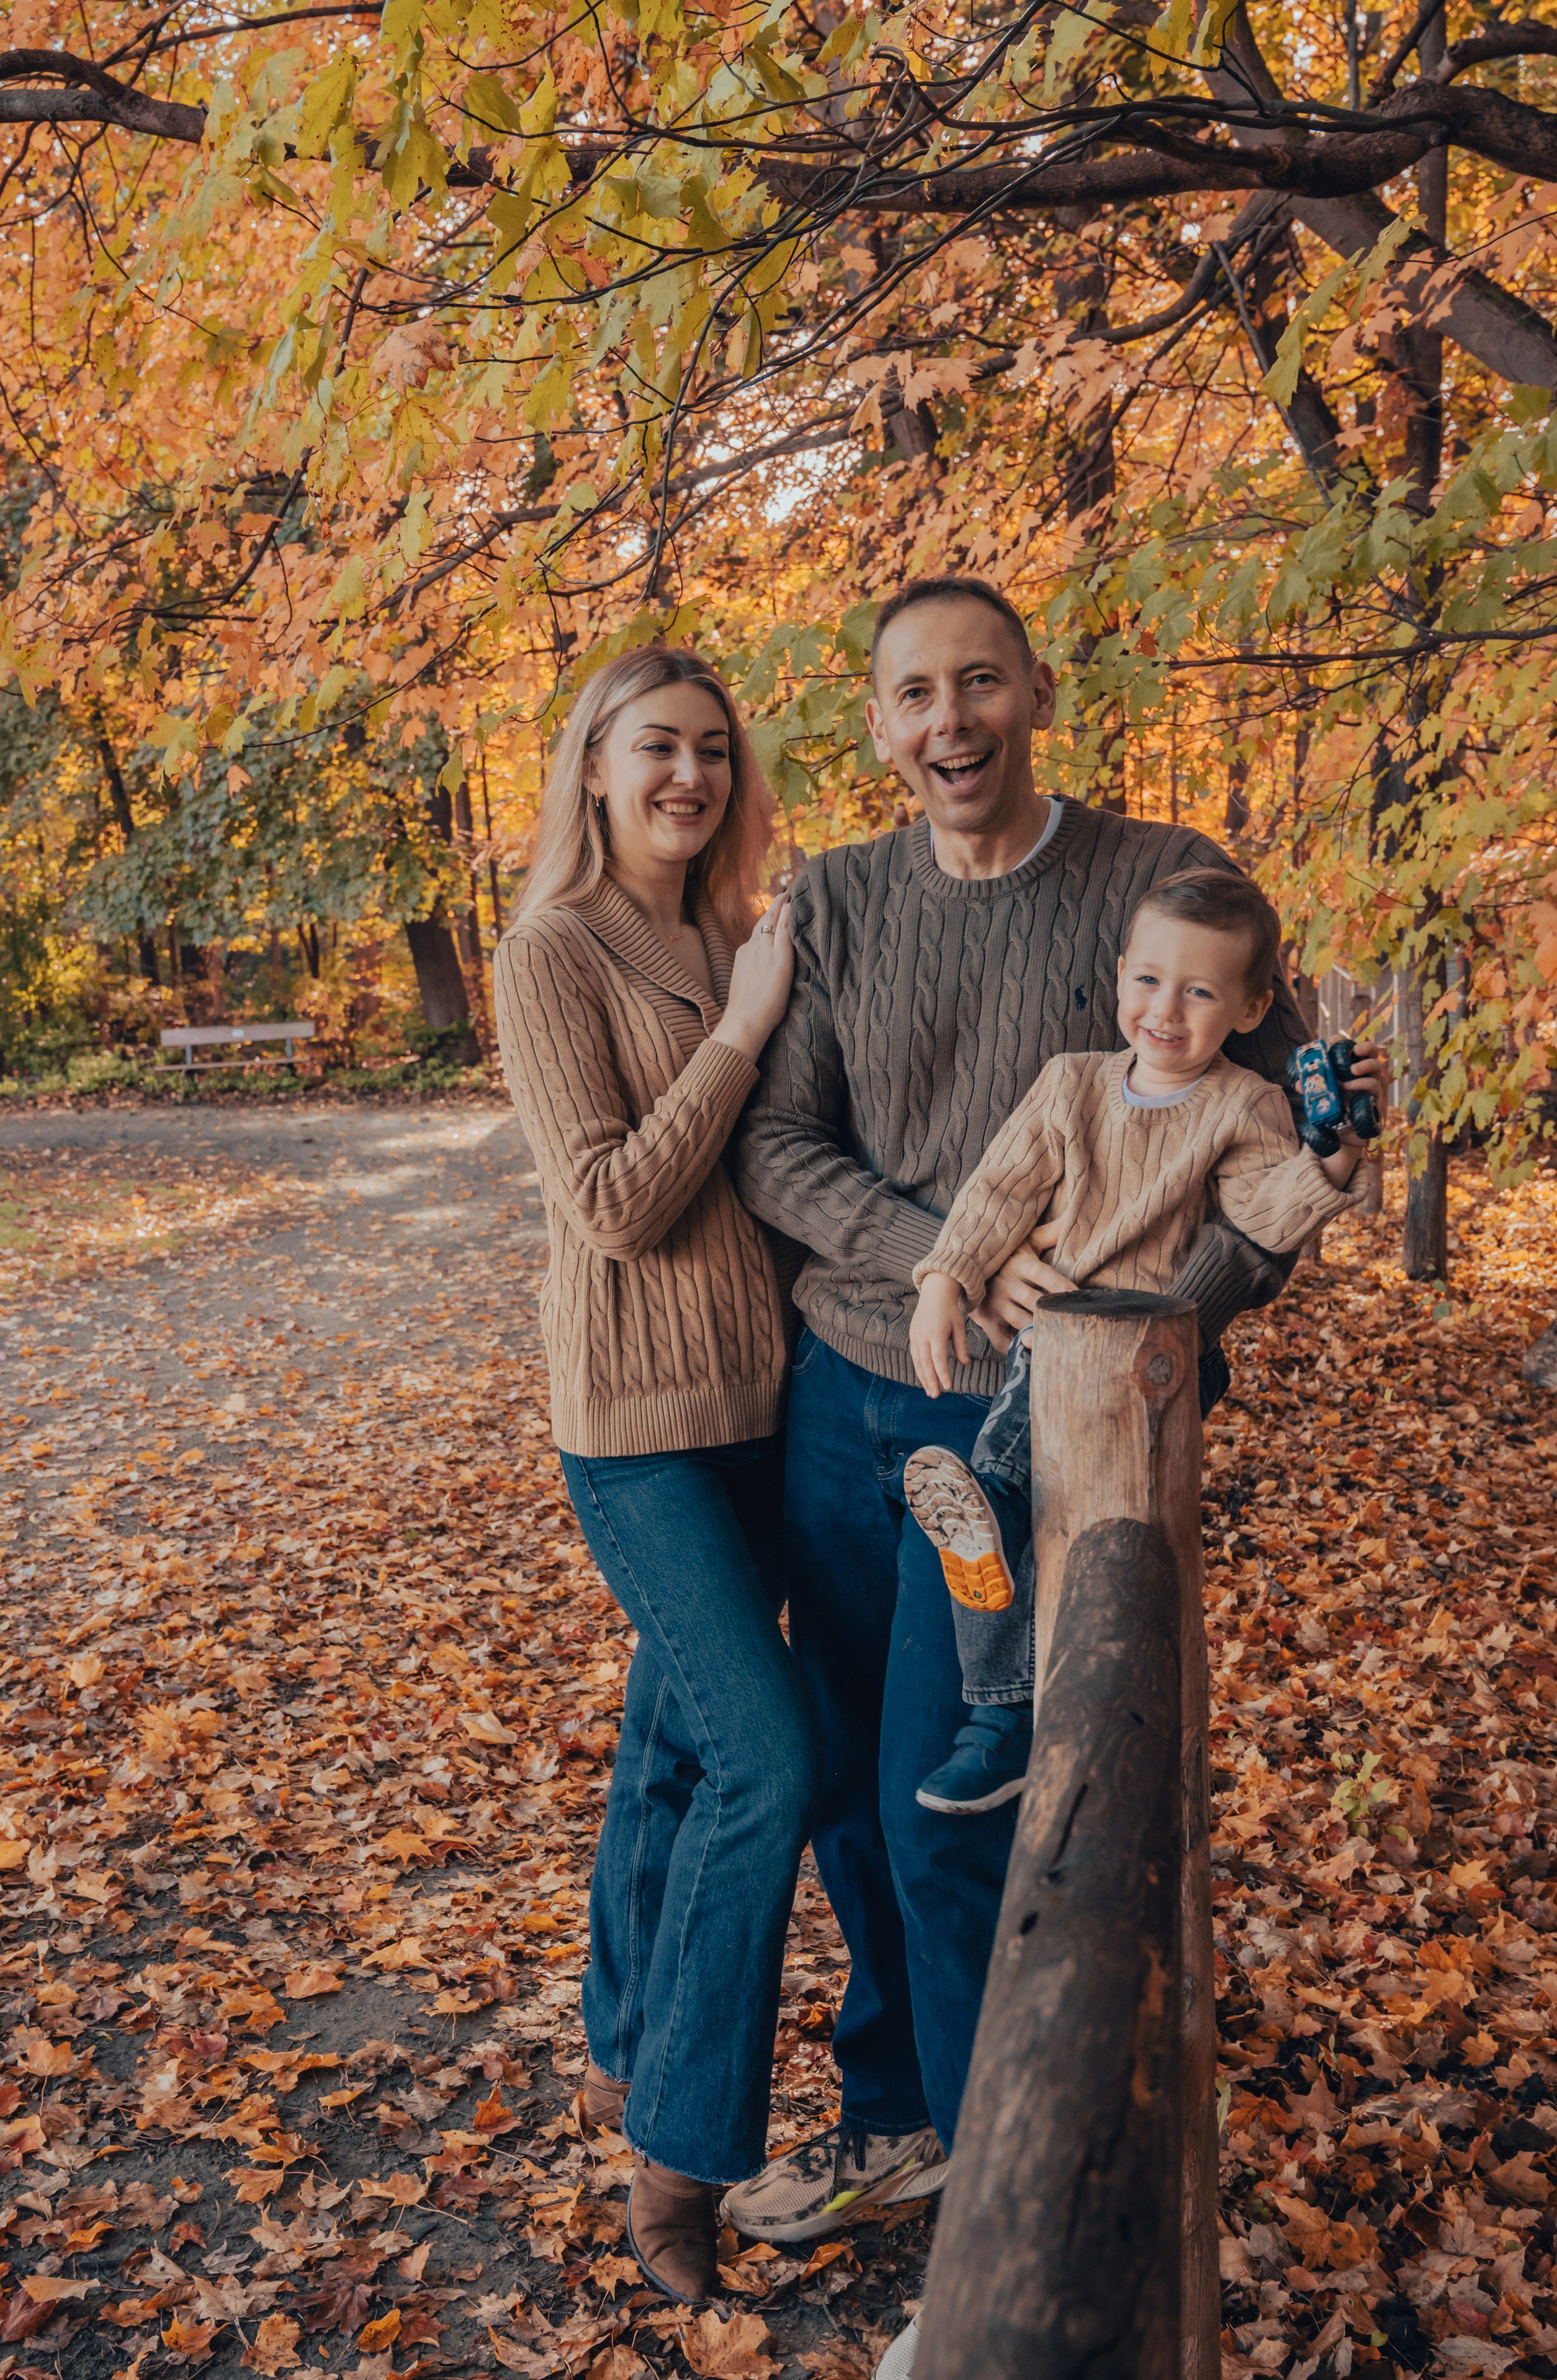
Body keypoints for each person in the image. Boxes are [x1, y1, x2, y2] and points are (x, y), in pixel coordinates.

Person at [724, 578, 1386, 2330]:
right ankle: (906, 2114)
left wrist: (1132, 1316)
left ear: (1033, 692)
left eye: (980, 685)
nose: (950, 721)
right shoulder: (845, 903)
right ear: (878, 721)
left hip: (1049, 1424)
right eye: (913, 694)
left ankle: (1016, 2202)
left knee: (978, 1779)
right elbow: (779, 1149)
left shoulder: (1162, 880)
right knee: (866, 1786)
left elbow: (1276, 1149)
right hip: (854, 1390)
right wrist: (950, 1241)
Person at [491, 648, 817, 2307]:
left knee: (677, 1738)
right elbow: (615, 1200)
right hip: (635, 1425)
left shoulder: (733, 927)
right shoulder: (550, 949)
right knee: (769, 1756)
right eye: (655, 749)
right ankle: (683, 2153)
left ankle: (624, 2034)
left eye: (709, 749)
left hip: (773, 1403)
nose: (687, 774)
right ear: (597, 769)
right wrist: (746, 1032)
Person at [903, 867, 1366, 1815]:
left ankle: (1008, 1702)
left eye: (1200, 992)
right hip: (1051, 1349)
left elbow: (1266, 1215)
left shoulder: (1242, 1106)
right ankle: (998, 1720)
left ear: (1248, 1006)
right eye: (1150, 981)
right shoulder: (1071, 1085)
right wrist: (945, 1281)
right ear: (1120, 977)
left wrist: (1334, 1160)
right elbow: (1000, 1190)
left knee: (1020, 1499)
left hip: (1152, 1361)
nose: (1167, 1009)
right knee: (1005, 1521)